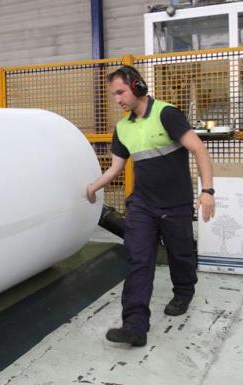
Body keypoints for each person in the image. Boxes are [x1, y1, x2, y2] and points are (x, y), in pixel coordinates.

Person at [86, 66, 215, 347]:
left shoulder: (166, 114)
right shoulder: (122, 128)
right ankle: (134, 326)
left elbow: (199, 150)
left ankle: (183, 292)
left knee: (180, 254)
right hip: (142, 205)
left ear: (137, 86)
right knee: (138, 259)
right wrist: (94, 186)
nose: (117, 99)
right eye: (114, 95)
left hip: (176, 203)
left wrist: (207, 191)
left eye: (120, 92)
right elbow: (116, 168)